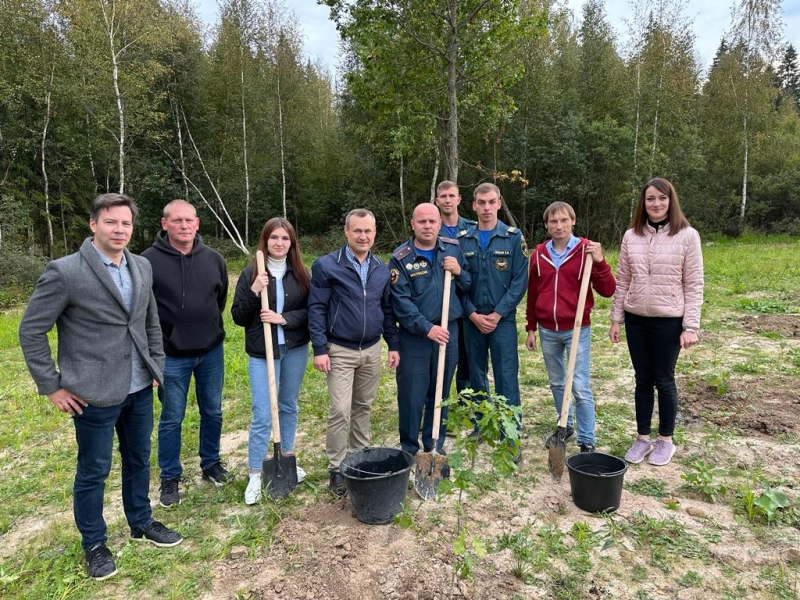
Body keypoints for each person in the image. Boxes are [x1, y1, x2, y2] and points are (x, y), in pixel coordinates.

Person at [19, 193, 182, 582]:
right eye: (111, 222)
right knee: (94, 470)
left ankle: (141, 521)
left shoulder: (141, 266)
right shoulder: (65, 272)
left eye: (126, 223)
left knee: (139, 460)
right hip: (90, 393)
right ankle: (94, 544)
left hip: (139, 386)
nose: (120, 230)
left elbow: (149, 322)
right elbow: (30, 329)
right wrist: (52, 386)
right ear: (93, 224)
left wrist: (156, 364)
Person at [609, 177, 703, 467]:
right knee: (642, 379)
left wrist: (690, 326)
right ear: (643, 203)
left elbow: (694, 283)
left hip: (669, 320)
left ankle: (665, 440)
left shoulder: (687, 236)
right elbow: (623, 279)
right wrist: (616, 318)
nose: (656, 204)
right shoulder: (631, 236)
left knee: (664, 379)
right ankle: (641, 437)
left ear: (671, 201)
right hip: (637, 318)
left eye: (662, 198)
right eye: (650, 198)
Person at [141, 199, 229, 508]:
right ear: (164, 224)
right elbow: (143, 311)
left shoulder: (214, 259)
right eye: (176, 221)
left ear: (197, 223)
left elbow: (219, 300)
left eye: (189, 220)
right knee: (171, 418)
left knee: (213, 411)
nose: (184, 226)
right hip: (170, 356)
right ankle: (170, 477)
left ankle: (211, 464)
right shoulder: (146, 262)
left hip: (210, 352)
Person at [308, 209, 400, 496]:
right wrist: (320, 348)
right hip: (340, 350)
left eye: (368, 231)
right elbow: (317, 308)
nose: (363, 236)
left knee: (363, 406)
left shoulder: (382, 269)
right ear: (346, 232)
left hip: (371, 350)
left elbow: (386, 311)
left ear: (375, 234)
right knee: (339, 410)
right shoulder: (326, 266)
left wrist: (393, 344)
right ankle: (336, 467)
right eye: (357, 230)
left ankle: (358, 458)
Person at [524, 202, 616, 453]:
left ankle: (587, 440)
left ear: (572, 221)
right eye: (553, 222)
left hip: (577, 328)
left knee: (580, 385)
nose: (559, 226)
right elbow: (533, 293)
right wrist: (530, 327)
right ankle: (565, 423)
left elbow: (608, 290)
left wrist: (600, 263)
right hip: (547, 328)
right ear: (546, 225)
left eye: (564, 220)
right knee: (556, 382)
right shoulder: (539, 254)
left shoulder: (586, 250)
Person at [231, 218, 311, 505]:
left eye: (285, 239)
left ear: (292, 244)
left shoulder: (301, 273)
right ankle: (255, 472)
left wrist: (283, 319)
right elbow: (238, 316)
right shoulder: (251, 272)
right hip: (262, 352)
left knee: (288, 405)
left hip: (295, 349)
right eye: (274, 238)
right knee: (263, 413)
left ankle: (287, 459)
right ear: (265, 241)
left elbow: (311, 312)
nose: (279, 243)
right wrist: (254, 290)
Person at [389, 203, 471, 456]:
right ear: (413, 224)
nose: (427, 226)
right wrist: (427, 329)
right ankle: (409, 448)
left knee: (441, 389)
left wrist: (458, 272)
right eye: (422, 221)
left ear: (439, 224)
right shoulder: (401, 257)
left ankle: (434, 441)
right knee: (412, 393)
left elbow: (468, 284)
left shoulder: (453, 249)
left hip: (449, 331)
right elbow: (401, 303)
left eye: (432, 221)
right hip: (415, 336)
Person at [458, 183, 529, 461]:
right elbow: (457, 284)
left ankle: (510, 435)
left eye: (491, 202)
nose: (486, 208)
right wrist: (473, 314)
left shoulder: (512, 237)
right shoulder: (463, 240)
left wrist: (498, 314)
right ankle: (481, 424)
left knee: (505, 377)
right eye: (481, 202)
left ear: (499, 203)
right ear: (473, 206)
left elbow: (519, 281)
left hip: (502, 321)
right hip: (472, 319)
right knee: (476, 374)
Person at [434, 180, 476, 395]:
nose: (447, 200)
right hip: (440, 304)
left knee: (467, 356)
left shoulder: (471, 229)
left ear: (459, 200)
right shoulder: (430, 227)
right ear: (437, 200)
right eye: (443, 196)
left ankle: (463, 402)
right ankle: (439, 401)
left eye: (452, 196)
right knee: (442, 355)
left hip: (467, 301)